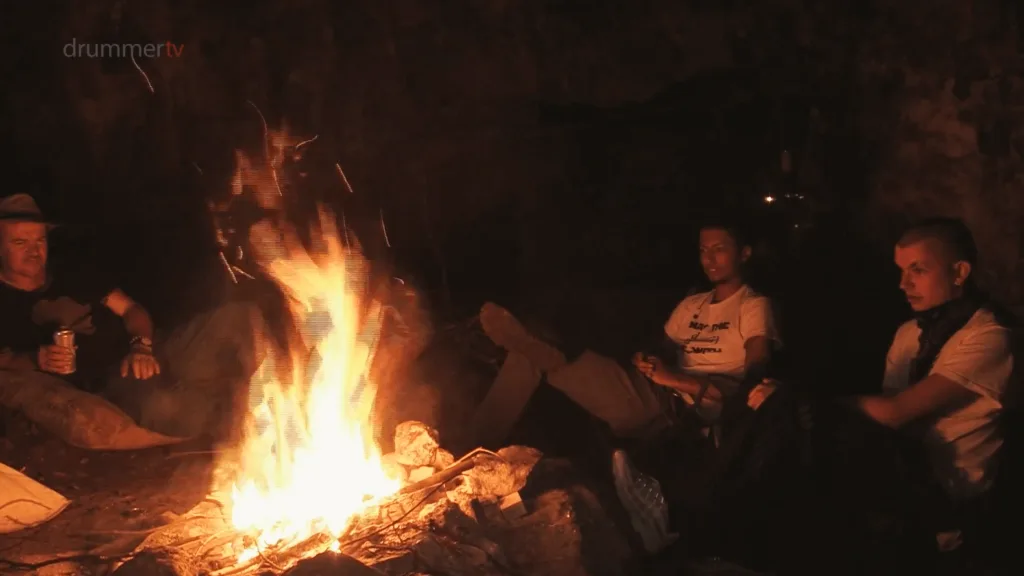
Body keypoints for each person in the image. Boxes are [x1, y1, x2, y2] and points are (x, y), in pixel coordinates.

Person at [479, 217, 781, 553]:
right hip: (654, 387)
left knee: (535, 354)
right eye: (702, 250)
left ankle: (477, 442)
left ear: (744, 253)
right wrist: (647, 358)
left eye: (719, 249)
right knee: (530, 357)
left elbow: (754, 373)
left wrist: (671, 378)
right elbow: (662, 348)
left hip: (697, 400)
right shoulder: (692, 305)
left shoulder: (753, 305)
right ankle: (474, 446)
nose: (708, 258)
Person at [0, 193, 263, 442]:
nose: (34, 251)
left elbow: (130, 310)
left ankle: (283, 397)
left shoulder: (72, 273)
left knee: (244, 317)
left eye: (40, 240)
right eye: (20, 242)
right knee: (167, 408)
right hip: (113, 380)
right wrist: (35, 359)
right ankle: (248, 418)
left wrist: (140, 345)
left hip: (151, 348)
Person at [833, 218, 1015, 564]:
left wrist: (818, 403)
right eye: (901, 270)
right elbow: (884, 419)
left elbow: (894, 412)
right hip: (898, 483)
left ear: (959, 272)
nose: (904, 283)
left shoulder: (988, 336)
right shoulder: (908, 332)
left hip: (952, 499)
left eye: (918, 270)